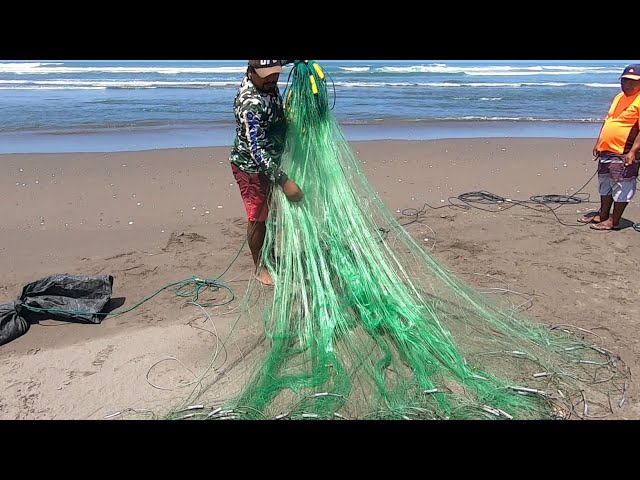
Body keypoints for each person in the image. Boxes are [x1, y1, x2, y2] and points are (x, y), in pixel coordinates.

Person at [229, 60, 304, 286]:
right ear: (250, 72)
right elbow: (257, 151)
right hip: (252, 169)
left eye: (275, 74)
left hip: (270, 166)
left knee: (268, 213)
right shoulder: (250, 103)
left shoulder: (267, 83)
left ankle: (269, 256)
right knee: (258, 218)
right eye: (266, 75)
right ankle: (259, 267)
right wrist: (284, 181)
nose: (272, 79)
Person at [579, 63, 640, 231]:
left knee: (622, 185)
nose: (628, 84)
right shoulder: (619, 97)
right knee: (605, 184)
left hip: (624, 152)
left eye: (633, 81)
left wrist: (633, 151)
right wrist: (599, 142)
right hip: (607, 150)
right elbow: (609, 121)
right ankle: (603, 214)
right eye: (625, 80)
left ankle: (614, 221)